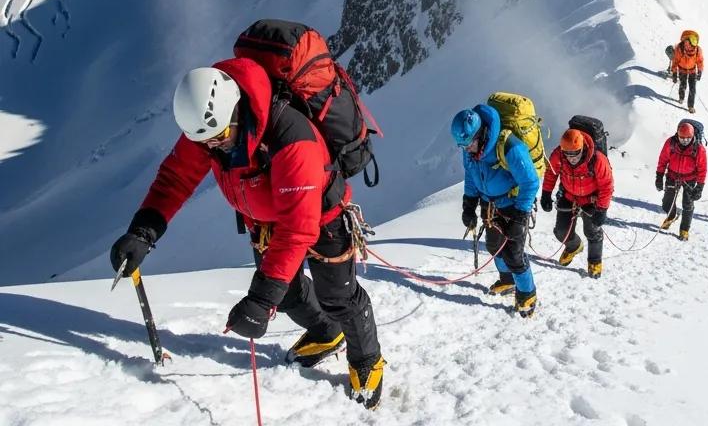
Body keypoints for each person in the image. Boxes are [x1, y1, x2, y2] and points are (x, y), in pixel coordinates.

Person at [109, 60, 385, 409]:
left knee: (338, 297)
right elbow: (176, 178)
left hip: (322, 215)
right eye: (205, 142)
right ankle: (326, 333)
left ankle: (366, 361)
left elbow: (299, 226)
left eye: (220, 138)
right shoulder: (210, 128)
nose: (214, 148)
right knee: (286, 295)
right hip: (267, 222)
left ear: (236, 110)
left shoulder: (289, 135)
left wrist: (259, 299)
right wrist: (144, 230)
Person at [452, 105, 540, 317]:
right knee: (494, 246)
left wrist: (520, 217)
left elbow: (530, 182)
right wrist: (469, 206)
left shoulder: (509, 146)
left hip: (514, 204)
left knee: (514, 254)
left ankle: (527, 294)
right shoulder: (471, 151)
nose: (466, 149)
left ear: (480, 134)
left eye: (469, 143)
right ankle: (507, 280)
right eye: (462, 145)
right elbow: (471, 177)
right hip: (489, 204)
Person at [540, 128, 614, 279]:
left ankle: (594, 261)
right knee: (561, 231)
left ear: (582, 148)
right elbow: (551, 173)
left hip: (591, 198)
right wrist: (546, 194)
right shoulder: (558, 154)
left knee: (592, 232)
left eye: (575, 153)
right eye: (568, 154)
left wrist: (602, 209)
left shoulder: (597, 159)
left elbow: (607, 185)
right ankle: (574, 246)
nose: (571, 158)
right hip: (569, 195)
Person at [655, 121, 707, 240]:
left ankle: (684, 229)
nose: (684, 141)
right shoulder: (671, 143)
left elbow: (702, 169)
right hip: (672, 176)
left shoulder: (698, 148)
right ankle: (671, 215)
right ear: (677, 135)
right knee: (667, 202)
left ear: (692, 136)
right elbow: (663, 159)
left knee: (687, 204)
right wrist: (659, 176)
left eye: (687, 139)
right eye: (682, 138)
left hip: (690, 178)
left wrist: (699, 187)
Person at [670, 33, 704, 113]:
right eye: (686, 42)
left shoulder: (698, 50)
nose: (687, 45)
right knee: (683, 85)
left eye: (689, 43)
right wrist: (674, 73)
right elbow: (675, 61)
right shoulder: (680, 48)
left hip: (692, 70)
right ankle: (681, 97)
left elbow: (700, 61)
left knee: (693, 88)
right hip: (682, 70)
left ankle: (690, 106)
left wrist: (700, 71)